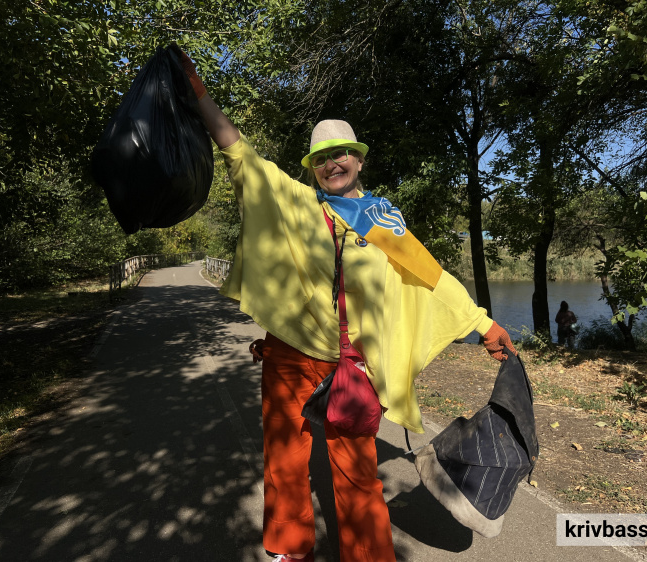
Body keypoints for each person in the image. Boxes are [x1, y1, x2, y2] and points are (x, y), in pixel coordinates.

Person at [177, 49, 517, 562]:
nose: (332, 163)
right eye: (321, 158)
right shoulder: (296, 204)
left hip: (352, 364)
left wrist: (482, 323)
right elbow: (241, 154)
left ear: (358, 160)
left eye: (342, 155)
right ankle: (289, 550)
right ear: (313, 168)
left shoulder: (385, 220)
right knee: (284, 463)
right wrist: (200, 96)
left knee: (357, 474)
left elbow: (431, 277)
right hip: (288, 357)